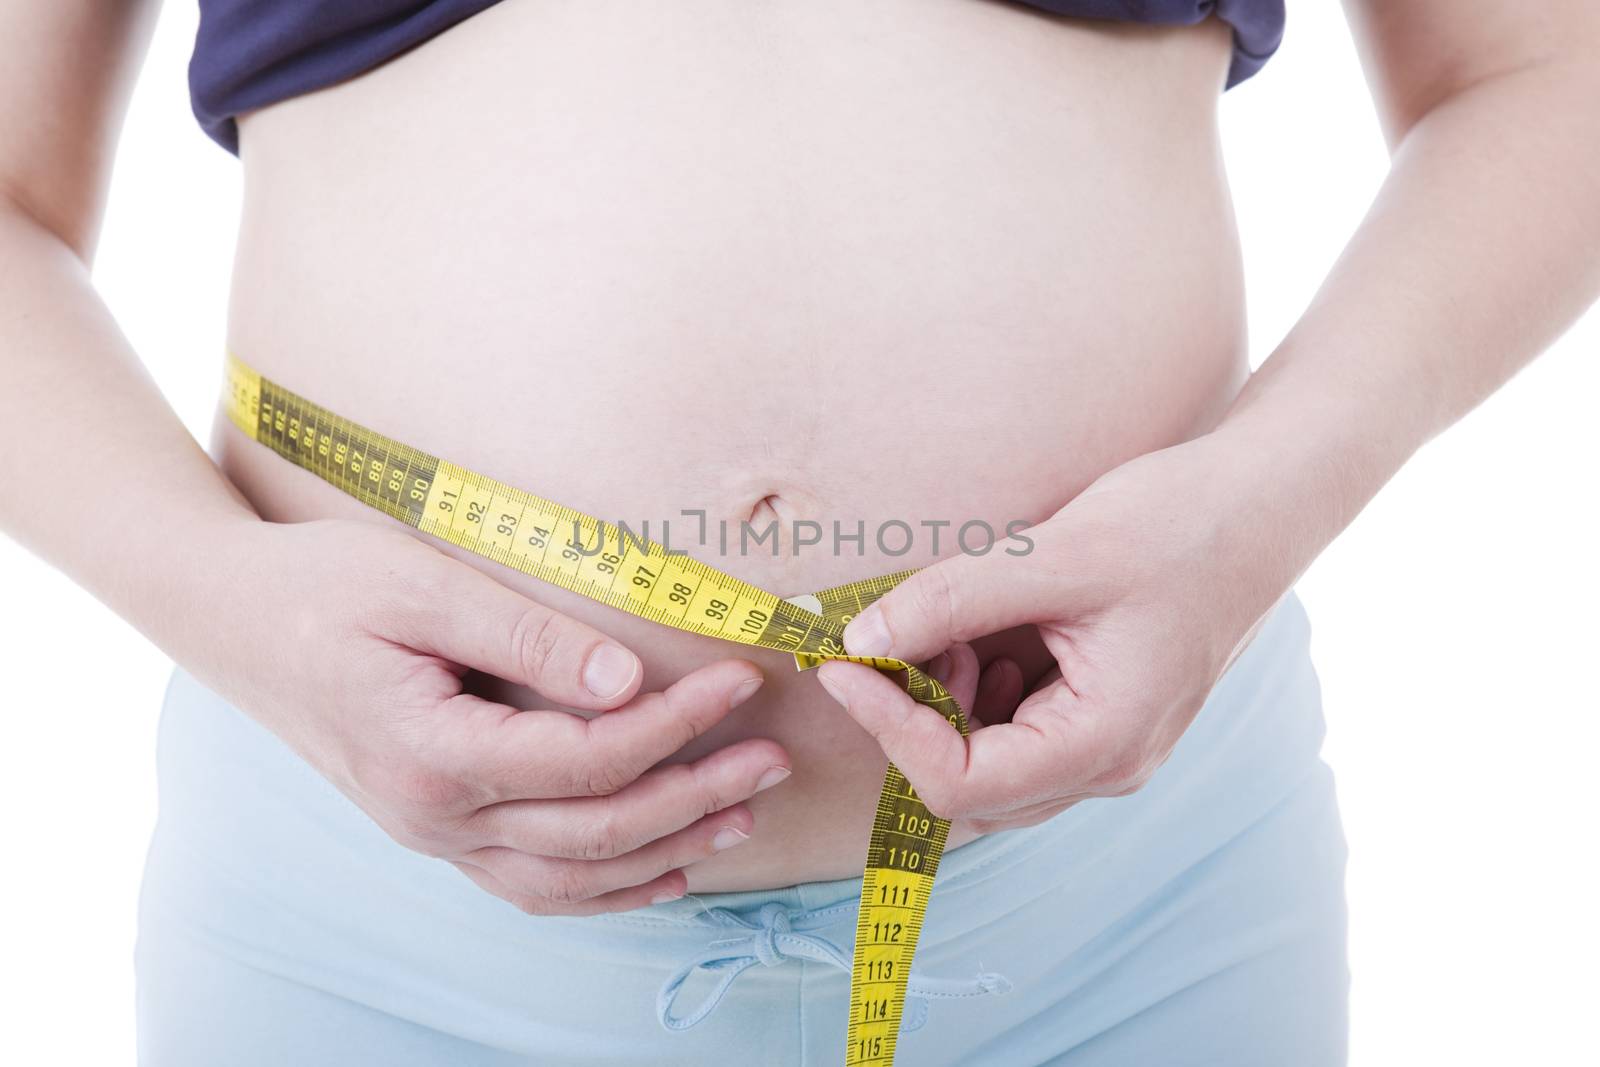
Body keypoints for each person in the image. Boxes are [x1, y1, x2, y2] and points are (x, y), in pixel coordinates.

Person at [3, 1, 1596, 1063]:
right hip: (378, 919)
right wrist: (220, 595)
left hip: (1134, 905)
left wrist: (1267, 500)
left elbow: (1546, 70)